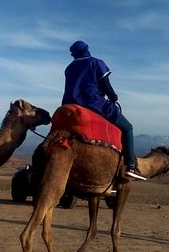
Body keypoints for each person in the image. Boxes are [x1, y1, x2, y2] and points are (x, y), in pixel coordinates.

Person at [62, 40, 146, 180]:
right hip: (93, 103)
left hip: (68, 105)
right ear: (87, 49)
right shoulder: (96, 63)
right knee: (128, 128)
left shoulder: (69, 68)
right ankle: (131, 166)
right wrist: (114, 97)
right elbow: (106, 86)